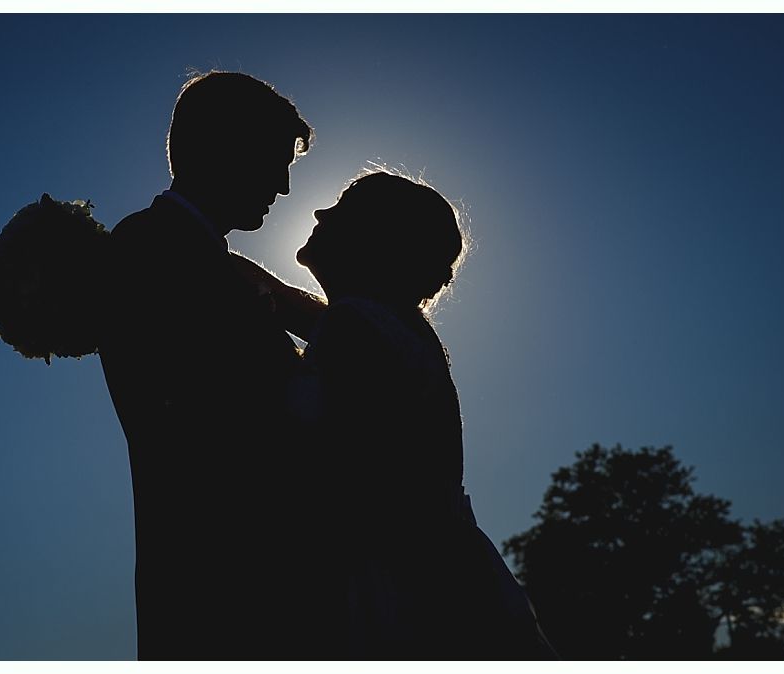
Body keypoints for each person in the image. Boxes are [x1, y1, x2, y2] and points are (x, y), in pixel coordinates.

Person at [235, 170, 557, 659]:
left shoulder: (355, 329)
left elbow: (304, 447)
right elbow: (301, 310)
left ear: (372, 239)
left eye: (340, 207)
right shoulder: (392, 326)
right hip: (444, 581)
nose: (321, 213)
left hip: (394, 594)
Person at [98, 71, 313, 660]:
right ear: (225, 149)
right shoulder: (156, 252)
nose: (286, 185)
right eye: (275, 159)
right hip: (224, 592)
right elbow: (240, 418)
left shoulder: (199, 256)